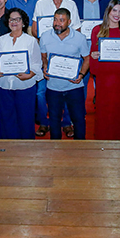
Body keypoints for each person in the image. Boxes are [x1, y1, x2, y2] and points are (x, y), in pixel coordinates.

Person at [89, 0, 120, 140]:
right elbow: (93, 66)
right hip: (105, 82)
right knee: (106, 114)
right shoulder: (97, 31)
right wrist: (93, 56)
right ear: (108, 12)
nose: (117, 14)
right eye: (114, 10)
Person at [39, 8, 90, 140]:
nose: (57, 23)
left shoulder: (79, 38)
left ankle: (80, 145)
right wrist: (45, 66)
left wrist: (81, 74)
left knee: (78, 119)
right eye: (55, 20)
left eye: (61, 20)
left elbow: (87, 58)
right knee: (54, 119)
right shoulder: (45, 36)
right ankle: (55, 146)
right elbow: (43, 56)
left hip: (74, 87)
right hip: (53, 87)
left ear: (69, 22)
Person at [0, 8, 41, 139]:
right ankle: (7, 147)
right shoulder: (1, 40)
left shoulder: (31, 41)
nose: (14, 22)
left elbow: (37, 63)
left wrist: (30, 74)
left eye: (17, 19)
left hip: (25, 87)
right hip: (5, 86)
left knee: (25, 119)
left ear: (23, 22)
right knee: (6, 119)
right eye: (11, 19)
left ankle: (26, 147)